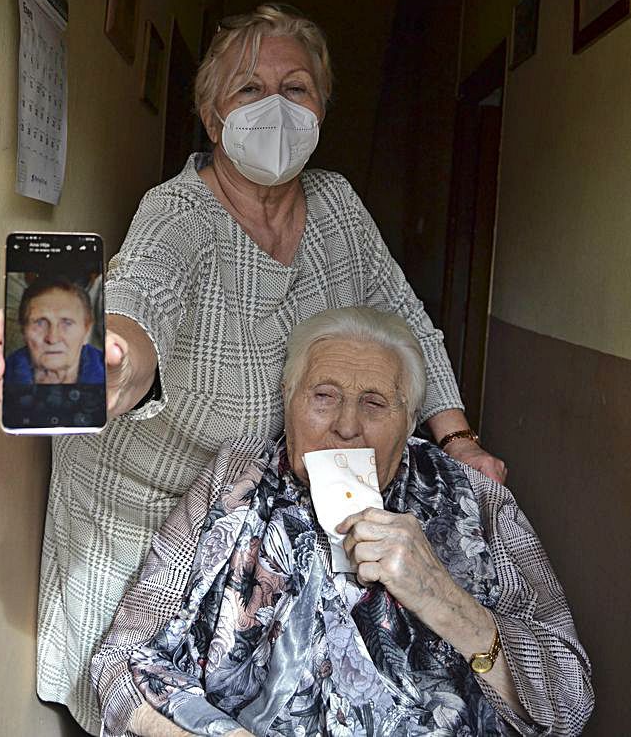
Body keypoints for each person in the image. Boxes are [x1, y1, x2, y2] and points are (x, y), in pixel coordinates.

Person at [0, 4, 506, 734]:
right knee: (143, 694)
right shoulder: (177, 214)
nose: (276, 108)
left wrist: (457, 441)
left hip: (255, 511)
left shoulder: (338, 207)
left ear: (322, 107)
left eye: (296, 88)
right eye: (248, 90)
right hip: (144, 511)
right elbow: (140, 304)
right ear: (208, 112)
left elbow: (406, 319)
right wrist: (110, 363)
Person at [92, 308, 593, 737]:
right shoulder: (234, 479)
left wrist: (441, 596)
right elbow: (122, 660)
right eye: (324, 396)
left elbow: (570, 701)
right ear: (289, 402)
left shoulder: (473, 498)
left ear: (410, 417)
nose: (346, 425)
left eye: (375, 403)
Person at [4, 277, 104, 384]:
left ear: (87, 331)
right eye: (40, 323)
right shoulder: (2, 376)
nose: (52, 338)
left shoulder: (113, 377)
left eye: (67, 323)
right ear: (23, 330)